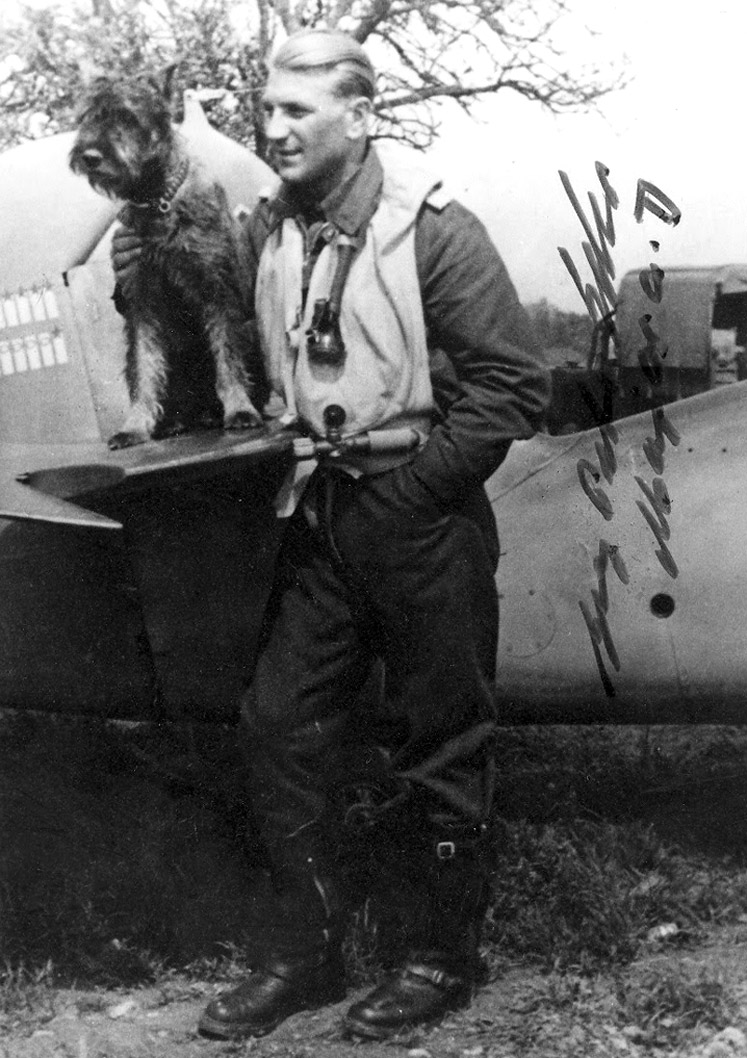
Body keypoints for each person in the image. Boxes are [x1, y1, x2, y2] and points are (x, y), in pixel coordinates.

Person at [113, 28, 549, 1041]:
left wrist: (418, 490)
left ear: (358, 116)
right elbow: (208, 325)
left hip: (423, 516)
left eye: (296, 112)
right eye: (266, 110)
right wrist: (142, 272)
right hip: (321, 516)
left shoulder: (434, 228)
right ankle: (305, 953)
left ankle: (437, 955)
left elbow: (513, 385)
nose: (273, 129)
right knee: (277, 726)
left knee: (440, 740)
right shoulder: (269, 228)